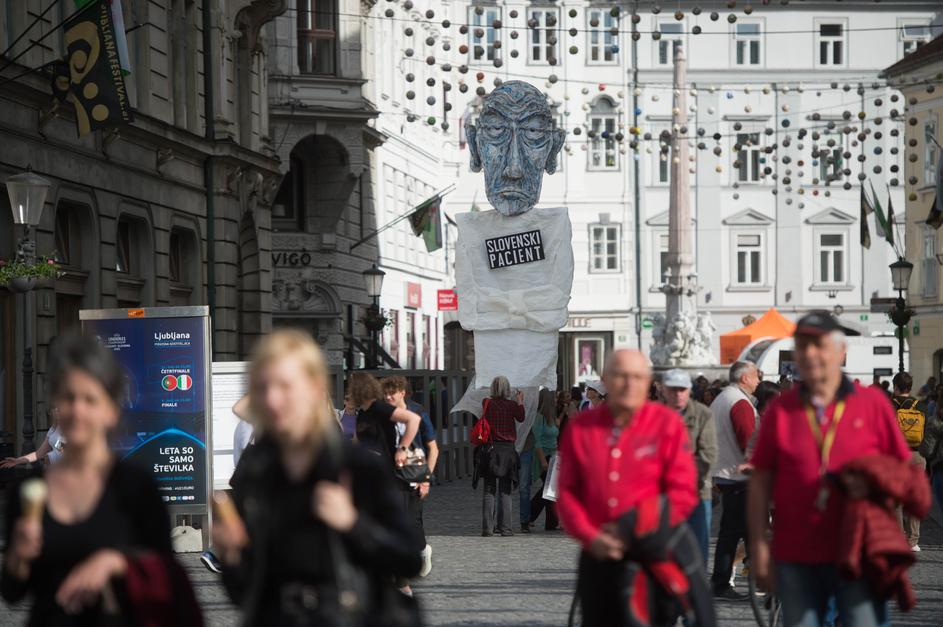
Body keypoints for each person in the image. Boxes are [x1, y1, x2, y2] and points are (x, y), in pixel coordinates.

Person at [212, 330, 421, 626]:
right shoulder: (255, 471)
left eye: (285, 386)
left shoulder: (356, 468)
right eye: (262, 387)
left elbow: (408, 559)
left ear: (315, 387)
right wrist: (231, 556)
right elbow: (246, 593)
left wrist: (352, 523)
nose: (272, 399)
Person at [2, 334, 200, 626]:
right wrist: (18, 555)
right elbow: (12, 592)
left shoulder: (136, 488)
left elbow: (167, 577)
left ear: (111, 410)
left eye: (90, 399)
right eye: (68, 397)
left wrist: (117, 562)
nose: (77, 410)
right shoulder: (29, 492)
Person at [748, 312, 917, 627]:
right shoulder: (781, 411)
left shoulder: (872, 404)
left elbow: (902, 469)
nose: (811, 353)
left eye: (820, 345)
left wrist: (876, 484)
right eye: (803, 346)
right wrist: (758, 546)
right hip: (797, 553)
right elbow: (760, 481)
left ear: (841, 352)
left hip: (858, 551)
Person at [558, 350, 708, 627]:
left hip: (650, 552)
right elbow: (567, 492)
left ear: (648, 382)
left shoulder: (666, 425)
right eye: (621, 376)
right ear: (606, 381)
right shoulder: (581, 429)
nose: (629, 384)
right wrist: (591, 537)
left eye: (637, 377)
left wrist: (636, 529)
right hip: (599, 552)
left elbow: (683, 491)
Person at [710, 360, 760, 600]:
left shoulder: (723, 398)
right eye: (755, 376)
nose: (758, 380)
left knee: (734, 532)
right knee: (745, 532)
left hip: (726, 473)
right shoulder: (739, 402)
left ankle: (725, 581)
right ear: (744, 378)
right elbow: (749, 442)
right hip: (740, 476)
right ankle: (736, 581)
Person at [382, 376, 439, 577]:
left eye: (392, 393)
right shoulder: (383, 414)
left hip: (415, 469)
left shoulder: (418, 412)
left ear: (402, 393)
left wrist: (426, 479)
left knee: (412, 518)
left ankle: (423, 550)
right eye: (385, 393)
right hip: (391, 472)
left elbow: (433, 448)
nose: (387, 397)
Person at [660, 368, 717, 565]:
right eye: (673, 389)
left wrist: (682, 476)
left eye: (682, 389)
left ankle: (695, 592)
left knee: (697, 552)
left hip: (696, 492)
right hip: (661, 495)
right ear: (664, 390)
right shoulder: (653, 414)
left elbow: (708, 454)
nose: (678, 394)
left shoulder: (702, 414)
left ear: (689, 390)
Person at [480, 376, 525, 537]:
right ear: (507, 390)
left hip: (491, 450)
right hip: (507, 450)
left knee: (489, 489)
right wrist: (520, 400)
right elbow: (521, 417)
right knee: (505, 490)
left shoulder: (487, 403)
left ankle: (487, 528)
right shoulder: (512, 405)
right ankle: (505, 528)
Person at [347, 372, 420, 469]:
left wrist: (402, 449)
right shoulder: (362, 412)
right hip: (369, 468)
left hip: (387, 468)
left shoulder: (379, 407)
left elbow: (414, 419)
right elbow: (357, 441)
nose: (348, 393)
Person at [892, 371, 927, 551]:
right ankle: (914, 541)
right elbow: (926, 432)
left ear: (896, 387)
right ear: (910, 387)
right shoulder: (920, 406)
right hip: (917, 456)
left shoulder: (892, 404)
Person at [529, 389, 561, 531]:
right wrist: (543, 461)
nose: (556, 400)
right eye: (553, 398)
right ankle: (530, 515)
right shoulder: (539, 418)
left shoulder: (551, 417)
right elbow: (537, 442)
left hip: (554, 456)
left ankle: (551, 522)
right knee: (549, 489)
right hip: (544, 457)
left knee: (551, 489)